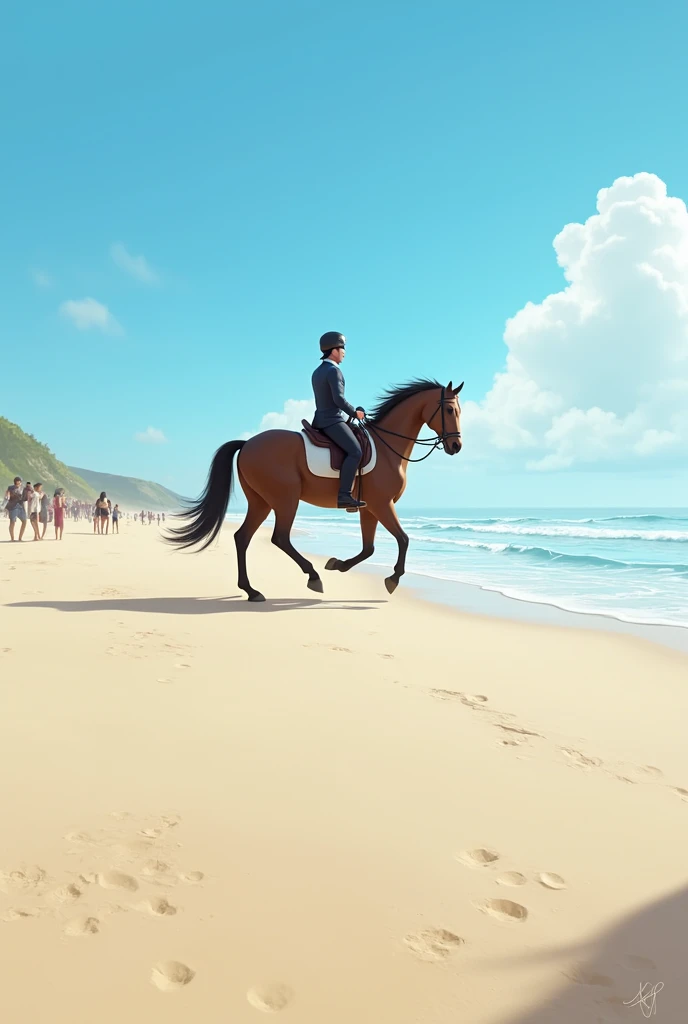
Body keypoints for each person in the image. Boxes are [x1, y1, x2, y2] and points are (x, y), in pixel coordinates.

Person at [311, 332, 367, 509]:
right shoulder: (334, 371)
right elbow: (338, 400)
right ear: (334, 350)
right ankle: (344, 495)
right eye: (342, 348)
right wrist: (355, 413)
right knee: (356, 452)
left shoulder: (317, 371)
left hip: (320, 420)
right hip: (332, 421)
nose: (344, 352)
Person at [4, 476, 27, 541]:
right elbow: (7, 495)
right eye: (17, 483)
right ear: (15, 482)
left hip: (21, 506)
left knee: (24, 521)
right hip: (12, 507)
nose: (18, 484)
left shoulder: (23, 488)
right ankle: (12, 538)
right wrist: (7, 496)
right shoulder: (10, 488)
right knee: (12, 522)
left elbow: (25, 498)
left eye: (19, 482)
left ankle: (20, 538)